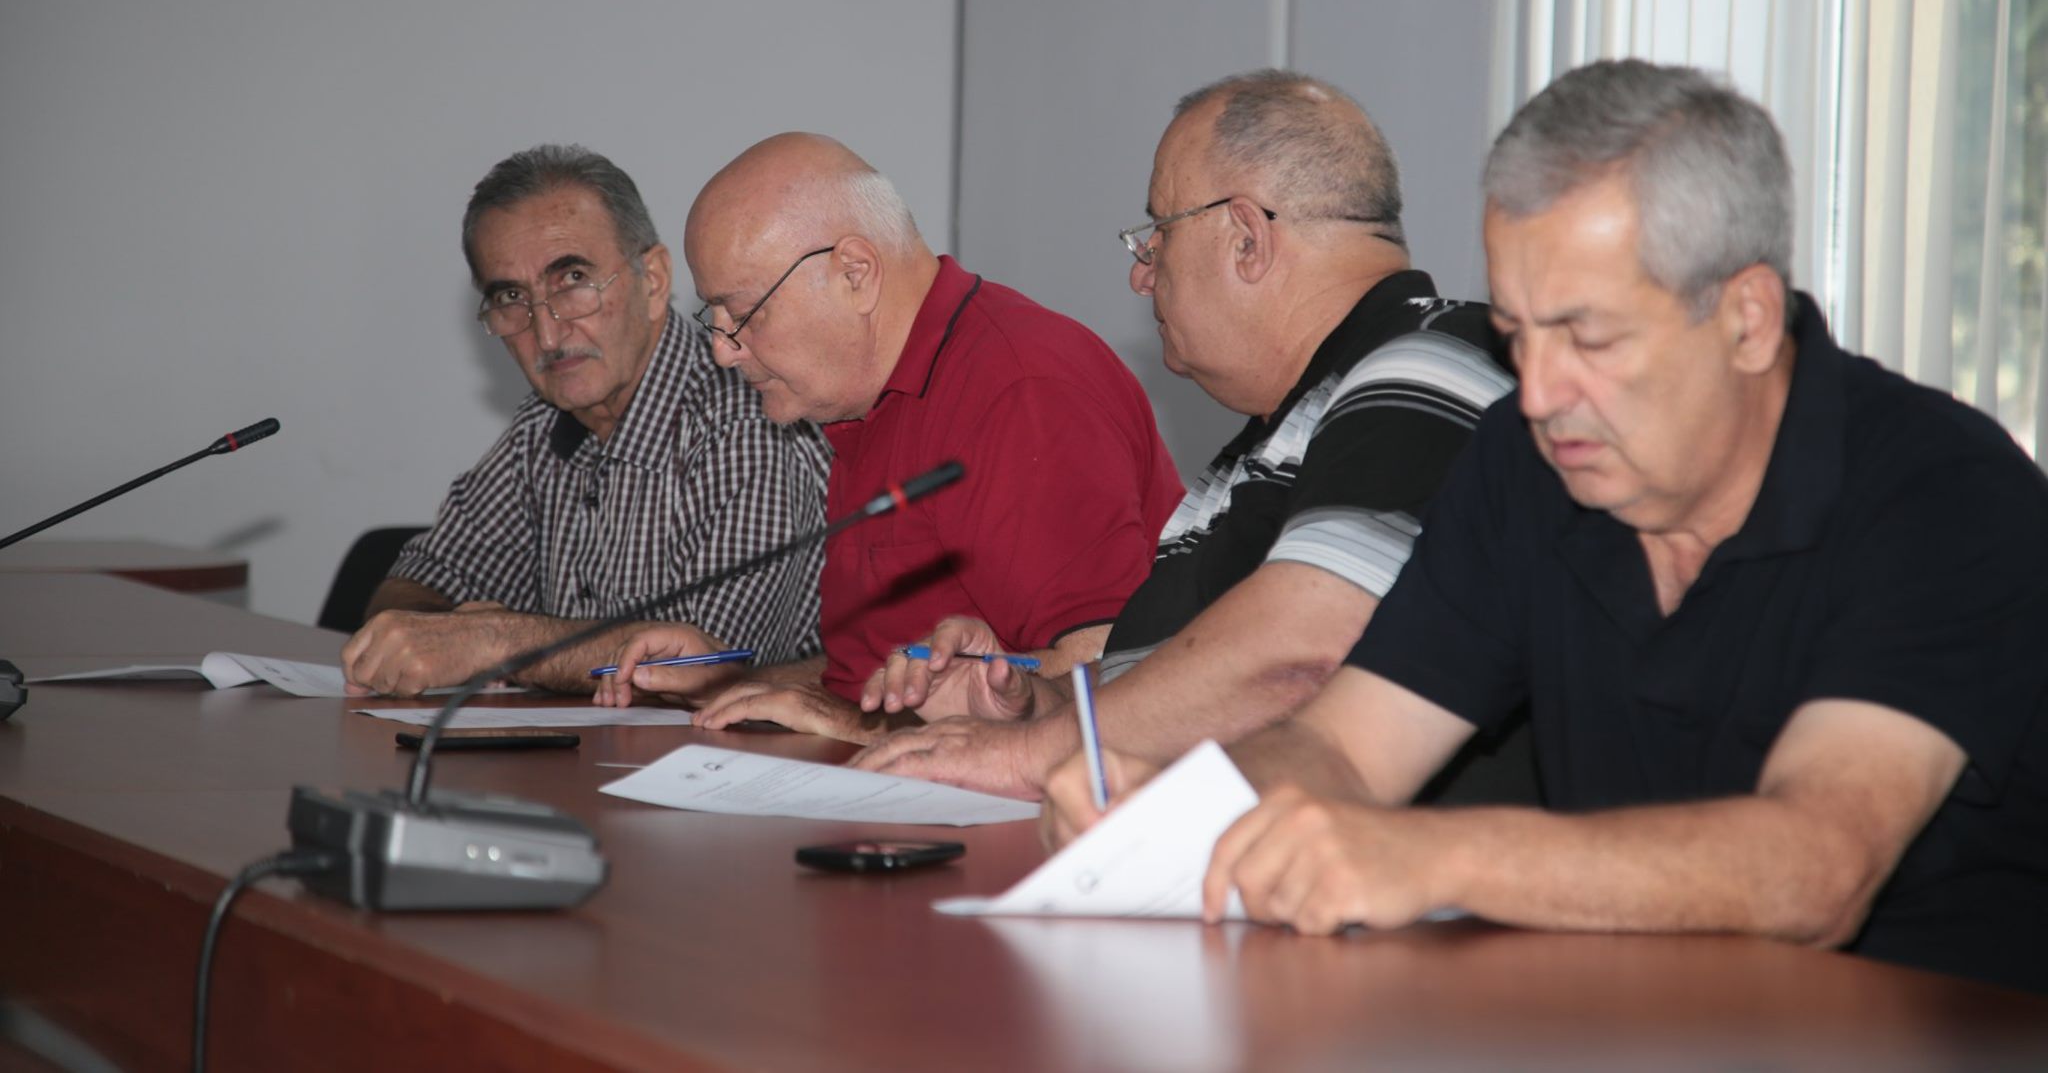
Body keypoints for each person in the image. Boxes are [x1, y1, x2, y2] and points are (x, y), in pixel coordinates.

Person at [1045, 61, 2048, 994]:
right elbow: (1343, 751)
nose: (1539, 392)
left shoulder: (1940, 491)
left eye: (1587, 336)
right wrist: (1177, 813)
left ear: (1745, 317)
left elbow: (1813, 867)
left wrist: (1430, 856)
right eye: (1519, 338)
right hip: (1621, 1022)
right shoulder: (1525, 466)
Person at [848, 71, 1516, 799]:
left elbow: (1304, 649)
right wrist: (1031, 701)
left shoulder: (1435, 359)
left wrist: (1032, 755)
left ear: (1247, 239)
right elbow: (1183, 686)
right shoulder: (1260, 448)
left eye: (1157, 235)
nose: (1142, 277)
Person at [594, 132, 1183, 740]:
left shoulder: (1018, 389)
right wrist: (731, 681)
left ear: (855, 273)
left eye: (742, 315)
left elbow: (1109, 675)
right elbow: (875, 678)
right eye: (713, 319)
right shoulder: (865, 401)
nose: (722, 351)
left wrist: (850, 724)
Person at [342, 145, 830, 696]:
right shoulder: (543, 422)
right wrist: (434, 635)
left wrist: (495, 641)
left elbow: (703, 664)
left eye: (572, 279)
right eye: (511, 296)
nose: (547, 334)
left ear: (652, 280)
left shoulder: (744, 422)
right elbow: (419, 583)